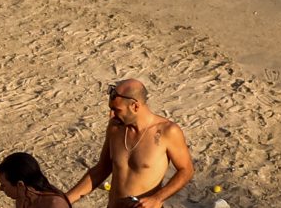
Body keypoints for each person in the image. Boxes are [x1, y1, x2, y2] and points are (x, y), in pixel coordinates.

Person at [66, 79, 194, 208]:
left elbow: (186, 170)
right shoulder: (115, 127)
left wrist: (157, 198)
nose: (112, 115)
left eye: (117, 110)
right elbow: (102, 168)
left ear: (135, 106)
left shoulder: (167, 131)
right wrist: (65, 200)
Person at [0, 151, 71, 207]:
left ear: (20, 185)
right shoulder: (23, 197)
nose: (1, 189)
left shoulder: (54, 204)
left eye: (3, 185)